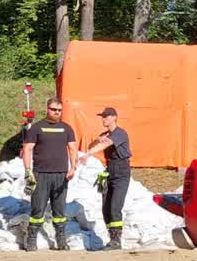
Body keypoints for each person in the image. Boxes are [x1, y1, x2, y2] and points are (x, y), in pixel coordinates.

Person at [21, 97, 78, 252]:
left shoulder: (67, 128)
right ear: (47, 109)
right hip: (41, 174)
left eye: (59, 110)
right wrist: (27, 171)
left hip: (61, 175)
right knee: (37, 209)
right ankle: (31, 239)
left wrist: (73, 168)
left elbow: (73, 148)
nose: (56, 112)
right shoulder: (37, 128)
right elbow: (27, 149)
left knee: (59, 210)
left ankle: (61, 240)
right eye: (53, 109)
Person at [83, 106, 131, 250]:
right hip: (109, 170)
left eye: (106, 116)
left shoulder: (119, 133)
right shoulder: (106, 134)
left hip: (121, 171)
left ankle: (117, 240)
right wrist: (96, 140)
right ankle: (112, 238)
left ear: (114, 117)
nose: (103, 119)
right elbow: (94, 144)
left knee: (115, 206)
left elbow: (106, 144)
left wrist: (89, 153)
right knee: (106, 207)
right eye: (102, 117)